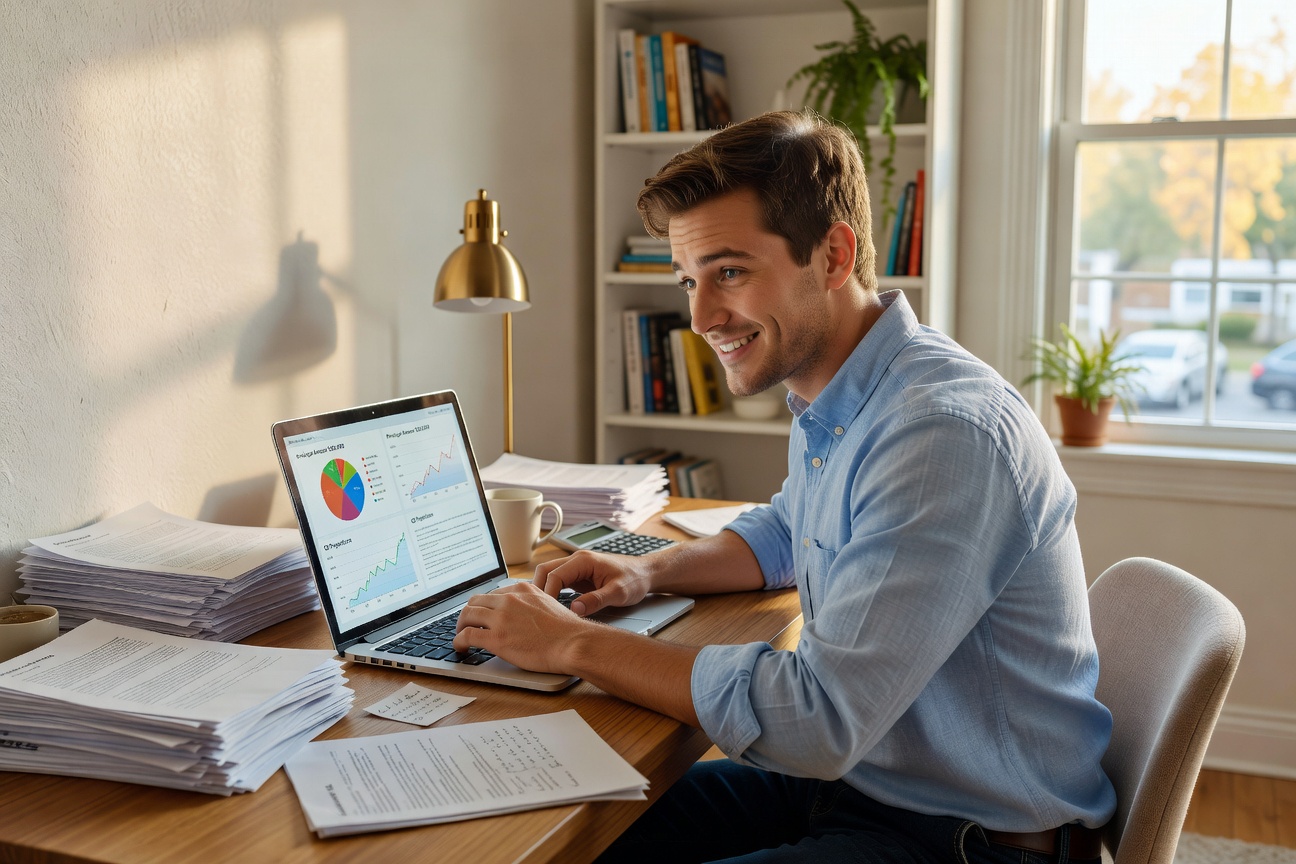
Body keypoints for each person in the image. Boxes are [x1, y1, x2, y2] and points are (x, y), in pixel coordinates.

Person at [453, 110, 1116, 863]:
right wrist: (646, 572)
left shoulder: (941, 433)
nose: (701, 317)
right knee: (577, 826)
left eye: (730, 272)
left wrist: (574, 641)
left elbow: (818, 717)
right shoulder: (843, 390)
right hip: (861, 786)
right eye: (689, 281)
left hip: (969, 840)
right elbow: (785, 531)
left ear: (833, 254)